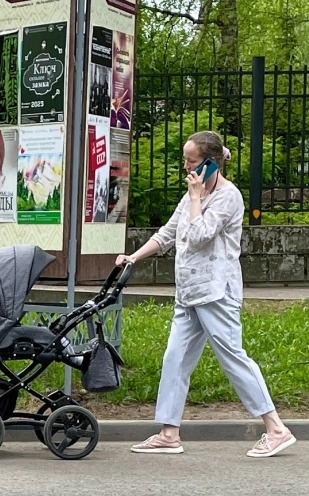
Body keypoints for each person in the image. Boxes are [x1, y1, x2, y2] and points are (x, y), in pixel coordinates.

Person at [118, 130, 295, 458]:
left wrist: (197, 197)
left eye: (192, 161)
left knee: (232, 356)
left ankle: (276, 428)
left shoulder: (228, 197)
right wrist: (134, 256)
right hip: (189, 292)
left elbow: (199, 236)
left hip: (216, 292)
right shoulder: (191, 195)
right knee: (176, 358)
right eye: (185, 160)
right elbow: (170, 232)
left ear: (211, 163)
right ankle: (169, 433)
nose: (186, 167)